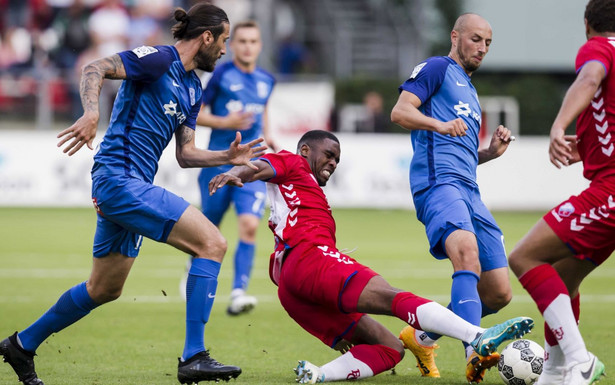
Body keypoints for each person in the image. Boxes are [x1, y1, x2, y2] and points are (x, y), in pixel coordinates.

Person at [0, 4, 267, 385]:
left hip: (132, 185)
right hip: (118, 179)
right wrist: (92, 113)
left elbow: (186, 154)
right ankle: (194, 356)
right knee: (212, 243)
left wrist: (226, 156)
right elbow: (95, 68)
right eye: (224, 40)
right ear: (207, 37)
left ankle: (20, 346)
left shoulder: (193, 87)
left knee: (104, 288)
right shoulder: (159, 59)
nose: (224, 50)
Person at [207, 129, 534, 383]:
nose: (333, 163)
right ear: (305, 150)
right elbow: (261, 166)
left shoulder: (303, 192)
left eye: (337, 159)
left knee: (391, 349)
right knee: (392, 297)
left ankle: (319, 374)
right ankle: (477, 336)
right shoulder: (293, 164)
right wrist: (239, 172)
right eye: (329, 154)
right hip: (311, 260)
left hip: (292, 290)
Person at [390, 13, 515, 383]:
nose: (482, 48)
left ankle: (422, 336)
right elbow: (400, 112)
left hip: (469, 190)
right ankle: (475, 352)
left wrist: (489, 153)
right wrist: (438, 124)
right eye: (476, 39)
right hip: (437, 184)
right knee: (466, 254)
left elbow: (459, 149)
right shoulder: (436, 68)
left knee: (498, 292)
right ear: (455, 36)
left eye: (488, 43)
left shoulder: (471, 92)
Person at [507, 0, 615, 384]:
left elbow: (589, 79)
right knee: (562, 276)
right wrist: (587, 149)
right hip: (608, 186)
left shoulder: (599, 47)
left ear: (587, 24)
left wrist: (558, 125)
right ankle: (554, 371)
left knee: (524, 258)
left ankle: (579, 359)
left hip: (610, 193)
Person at [181, 20, 276, 316]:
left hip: (253, 165)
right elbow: (195, 112)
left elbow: (263, 111)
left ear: (259, 46)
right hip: (218, 163)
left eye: (253, 41)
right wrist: (226, 123)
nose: (248, 46)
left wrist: (269, 135)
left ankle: (238, 293)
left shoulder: (266, 80)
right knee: (208, 230)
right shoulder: (221, 73)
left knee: (249, 225)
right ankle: (191, 265)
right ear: (232, 45)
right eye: (242, 41)